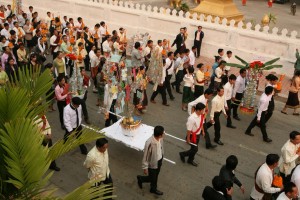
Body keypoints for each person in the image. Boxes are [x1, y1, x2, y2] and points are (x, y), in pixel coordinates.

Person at [137, 126, 165, 196]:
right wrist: (145, 167)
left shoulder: (160, 139)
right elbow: (145, 156)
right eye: (163, 133)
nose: (164, 134)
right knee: (152, 178)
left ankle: (153, 188)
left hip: (159, 160)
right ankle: (141, 179)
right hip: (152, 163)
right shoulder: (149, 143)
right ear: (160, 135)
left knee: (155, 176)